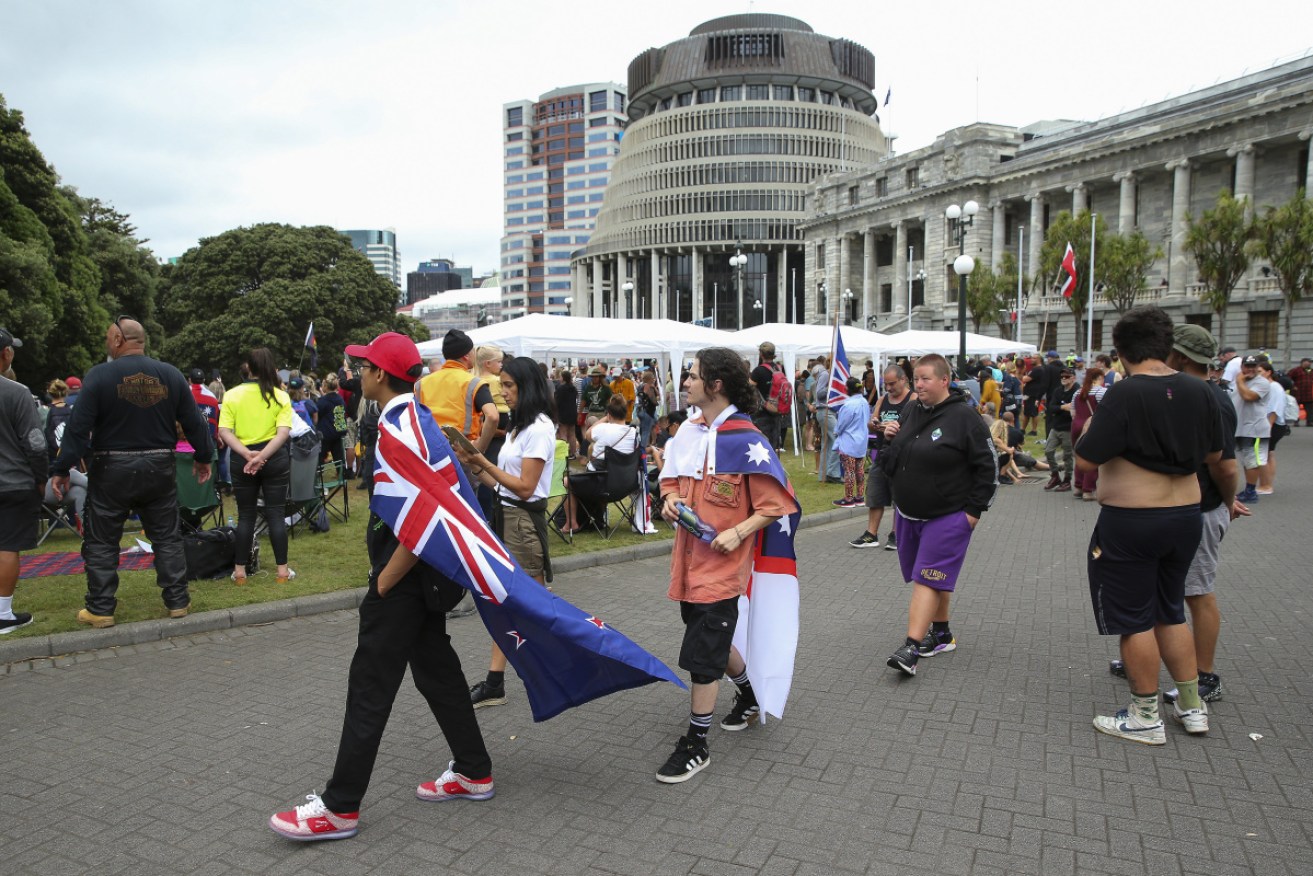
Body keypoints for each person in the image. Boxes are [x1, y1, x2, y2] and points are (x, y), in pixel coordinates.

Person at [269, 332, 493, 842]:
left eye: (364, 365)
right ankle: (474, 771)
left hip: (405, 579)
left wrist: (384, 583)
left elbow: (425, 512)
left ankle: (338, 806)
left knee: (370, 686)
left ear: (379, 376)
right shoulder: (413, 419)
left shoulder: (400, 429)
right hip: (423, 577)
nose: (358, 372)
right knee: (438, 674)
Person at [1075, 306, 1222, 746]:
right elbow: (1215, 456)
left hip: (1134, 520)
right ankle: (1192, 705)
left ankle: (1144, 714)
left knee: (1134, 619)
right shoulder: (1202, 392)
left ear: (1121, 352)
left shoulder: (1126, 393)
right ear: (1167, 347)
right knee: (1169, 609)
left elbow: (1086, 456)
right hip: (1185, 516)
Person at [655, 347, 794, 782]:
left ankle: (696, 743)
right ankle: (750, 695)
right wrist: (670, 500)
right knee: (711, 641)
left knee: (702, 653)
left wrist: (740, 531)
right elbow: (671, 480)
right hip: (688, 562)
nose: (686, 383)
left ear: (715, 385)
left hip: (723, 568)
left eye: (693, 376)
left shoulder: (747, 440)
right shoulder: (688, 434)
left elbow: (778, 504)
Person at [49, 317, 211, 628]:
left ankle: (101, 608)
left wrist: (61, 468)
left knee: (101, 540)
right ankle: (177, 600)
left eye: (110, 336)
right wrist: (203, 457)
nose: (107, 341)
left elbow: (78, 430)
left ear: (120, 340)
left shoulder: (99, 376)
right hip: (159, 465)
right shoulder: (170, 375)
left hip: (112, 467)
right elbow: (194, 422)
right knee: (166, 536)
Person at [881, 353, 997, 677]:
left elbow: (989, 467)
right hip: (909, 514)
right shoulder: (912, 409)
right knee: (935, 577)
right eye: (915, 379)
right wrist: (887, 437)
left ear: (944, 380)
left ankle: (911, 648)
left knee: (926, 577)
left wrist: (973, 512)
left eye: (925, 378)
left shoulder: (965, 417)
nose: (918, 384)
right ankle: (942, 634)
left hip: (948, 515)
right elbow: (893, 457)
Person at [451, 356, 556, 709]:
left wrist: (483, 464)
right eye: (502, 385)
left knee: (529, 606)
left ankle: (549, 672)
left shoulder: (539, 427)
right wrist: (473, 464)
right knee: (514, 604)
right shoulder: (517, 427)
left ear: (527, 387)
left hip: (523, 523)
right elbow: (503, 484)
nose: (503, 392)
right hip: (507, 517)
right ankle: (500, 680)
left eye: (509, 386)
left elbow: (525, 487)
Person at [1154, 324, 1249, 705]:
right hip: (1175, 508)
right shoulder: (1182, 392)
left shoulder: (1212, 398)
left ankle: (1205, 675)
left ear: (1178, 356)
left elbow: (1225, 466)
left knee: (1197, 592)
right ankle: (1145, 653)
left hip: (1202, 509)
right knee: (1163, 587)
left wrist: (1228, 501)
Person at [416, 330, 497, 620]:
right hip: (461, 456)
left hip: (428, 457)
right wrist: (478, 450)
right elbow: (494, 415)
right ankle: (464, 593)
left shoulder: (422, 384)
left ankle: (437, 589)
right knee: (466, 523)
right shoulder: (474, 381)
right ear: (467, 355)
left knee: (436, 522)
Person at [218, 348, 296, 585]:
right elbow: (283, 434)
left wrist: (247, 455)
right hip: (273, 457)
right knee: (275, 514)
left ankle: (239, 571)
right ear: (271, 368)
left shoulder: (231, 395)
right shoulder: (281, 396)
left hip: (243, 457)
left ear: (248, 368)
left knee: (246, 516)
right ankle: (282, 570)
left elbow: (224, 432)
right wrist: (262, 456)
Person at [0, 327, 45, 634]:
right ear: (6, 354)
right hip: (12, 481)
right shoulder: (16, 393)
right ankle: (2, 613)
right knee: (7, 546)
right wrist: (41, 478)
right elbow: (35, 443)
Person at [851, 366, 916, 550]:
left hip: (903, 456)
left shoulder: (913, 399)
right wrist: (875, 424)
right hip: (882, 454)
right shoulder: (882, 399)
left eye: (892, 383)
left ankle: (896, 534)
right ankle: (871, 534)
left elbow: (916, 427)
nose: (888, 388)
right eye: (885, 384)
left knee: (899, 497)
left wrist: (896, 429)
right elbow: (872, 422)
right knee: (875, 493)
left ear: (904, 380)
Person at [560, 395, 638, 535]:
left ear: (609, 413)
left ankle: (571, 524)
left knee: (567, 481)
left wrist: (604, 419)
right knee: (603, 473)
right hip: (626, 485)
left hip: (603, 486)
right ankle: (598, 518)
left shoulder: (603, 429)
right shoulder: (634, 433)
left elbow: (588, 435)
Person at [41, 379, 87, 529]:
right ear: (66, 393)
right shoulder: (73, 411)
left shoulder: (44, 412)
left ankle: (88, 532)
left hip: (59, 478)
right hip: (51, 483)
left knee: (79, 491)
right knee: (73, 473)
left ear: (49, 393)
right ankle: (104, 489)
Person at [1231, 355, 1273, 504]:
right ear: (1242, 367)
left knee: (1252, 461)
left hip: (1255, 429)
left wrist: (1239, 381)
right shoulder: (1237, 382)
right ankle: (1248, 489)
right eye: (1247, 366)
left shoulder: (1262, 382)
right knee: (1245, 460)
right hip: (1240, 428)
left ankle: (1250, 492)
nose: (1250, 369)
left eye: (1253, 366)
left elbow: (1249, 396)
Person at [833, 377, 870, 507]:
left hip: (849, 440)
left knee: (849, 470)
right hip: (862, 440)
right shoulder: (864, 402)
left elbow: (841, 424)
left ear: (847, 389)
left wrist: (836, 431)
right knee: (859, 470)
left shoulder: (848, 405)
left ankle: (848, 498)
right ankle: (860, 496)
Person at [1070, 367, 1105, 500]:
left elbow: (1072, 413)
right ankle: (1088, 490)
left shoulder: (1077, 392)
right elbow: (1105, 413)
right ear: (1099, 378)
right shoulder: (1101, 392)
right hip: (1091, 427)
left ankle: (1078, 486)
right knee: (1092, 458)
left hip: (1076, 427)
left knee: (1079, 457)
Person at [1256, 358, 1288, 495]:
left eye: (1260, 371)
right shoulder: (1271, 386)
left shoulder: (1273, 387)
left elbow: (1274, 410)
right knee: (1268, 454)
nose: (1257, 374)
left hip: (1272, 424)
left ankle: (1266, 485)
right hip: (1272, 424)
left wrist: (1267, 428)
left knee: (1262, 455)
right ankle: (1267, 483)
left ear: (1268, 372)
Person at [1043, 368, 1077, 492]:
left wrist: (1061, 408)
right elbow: (1051, 407)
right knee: (1048, 451)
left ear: (1073, 378)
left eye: (1066, 376)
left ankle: (1067, 479)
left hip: (1068, 428)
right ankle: (1055, 475)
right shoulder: (1058, 391)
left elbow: (1075, 409)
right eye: (1062, 376)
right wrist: (1063, 407)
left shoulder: (1076, 391)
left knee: (1067, 455)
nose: (1063, 378)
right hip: (1056, 427)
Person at [750, 341, 783, 451]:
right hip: (777, 411)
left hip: (762, 413)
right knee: (774, 445)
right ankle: (775, 466)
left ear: (761, 354)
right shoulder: (780, 368)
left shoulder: (758, 371)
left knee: (762, 445)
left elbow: (749, 389)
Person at [316, 373, 349, 470]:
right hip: (338, 431)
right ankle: (342, 474)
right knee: (339, 457)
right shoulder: (340, 399)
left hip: (326, 434)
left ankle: (318, 475)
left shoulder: (322, 401)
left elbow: (318, 414)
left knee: (320, 457)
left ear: (325, 386)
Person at [555, 366, 579, 457]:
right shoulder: (573, 388)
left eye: (561, 376)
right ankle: (573, 453)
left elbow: (557, 401)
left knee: (563, 433)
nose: (559, 378)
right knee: (572, 433)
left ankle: (564, 453)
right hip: (573, 413)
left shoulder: (560, 388)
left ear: (563, 378)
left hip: (563, 413)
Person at [1288, 357, 1313, 425]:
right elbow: (1288, 379)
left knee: (1310, 409)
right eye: (1308, 362)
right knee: (1296, 408)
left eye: (1310, 362)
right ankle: (1296, 421)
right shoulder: (1295, 370)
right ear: (1303, 362)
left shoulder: (1311, 371)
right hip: (1297, 393)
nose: (1310, 364)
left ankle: (1310, 421)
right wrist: (1292, 386)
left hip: (1308, 393)